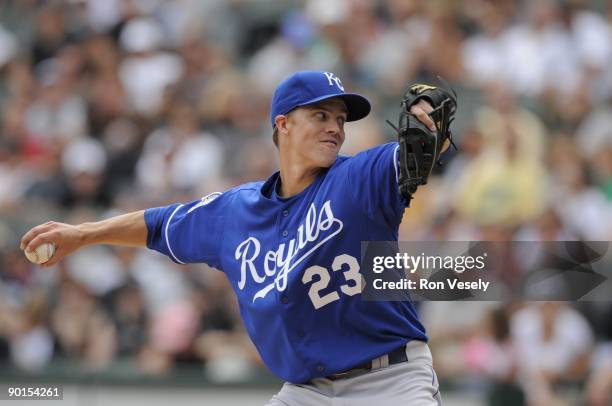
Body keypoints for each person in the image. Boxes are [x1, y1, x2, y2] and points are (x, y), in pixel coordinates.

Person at [21, 71, 443, 405]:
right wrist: (83, 234)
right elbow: (156, 224)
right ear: (283, 124)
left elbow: (415, 154)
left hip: (389, 381)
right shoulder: (235, 212)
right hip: (306, 392)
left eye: (339, 119)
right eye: (320, 115)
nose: (335, 127)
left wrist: (430, 123)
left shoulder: (358, 179)